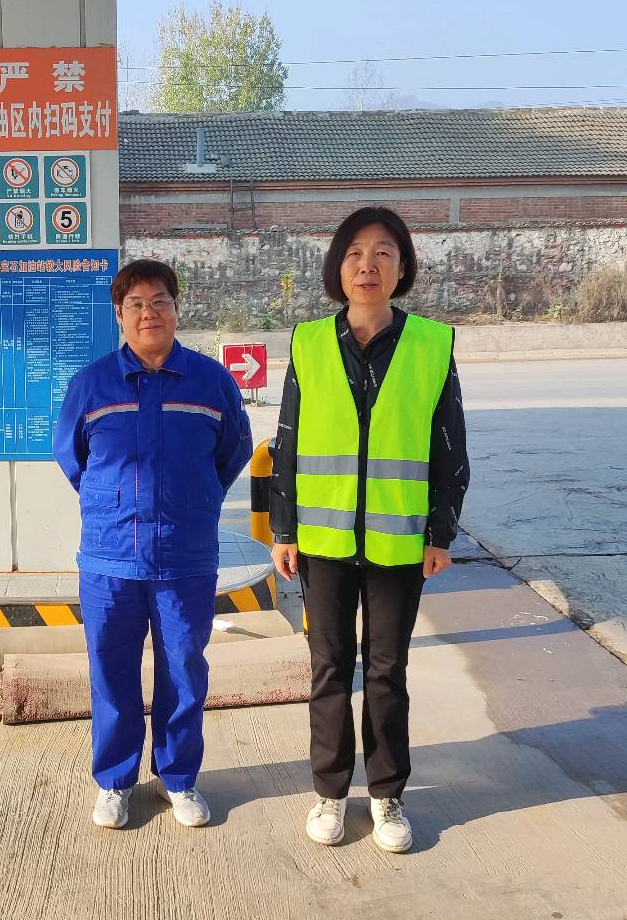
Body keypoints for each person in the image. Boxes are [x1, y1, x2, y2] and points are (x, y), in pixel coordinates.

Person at [270, 207, 469, 854]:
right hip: (323, 541)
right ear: (338, 267)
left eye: (384, 252)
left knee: (386, 671)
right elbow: (288, 442)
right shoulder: (308, 343)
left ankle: (386, 795)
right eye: (355, 253)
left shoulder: (431, 345)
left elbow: (449, 445)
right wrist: (284, 529)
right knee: (329, 667)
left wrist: (441, 532)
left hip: (398, 540)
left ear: (402, 267)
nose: (368, 265)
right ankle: (330, 793)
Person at [54, 258, 253, 831]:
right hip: (111, 557)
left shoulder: (211, 381)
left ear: (176, 309)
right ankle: (114, 781)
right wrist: (113, 501)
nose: (149, 313)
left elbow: (233, 451)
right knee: (110, 669)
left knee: (184, 668)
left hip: (185, 555)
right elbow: (73, 457)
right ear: (119, 316)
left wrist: (194, 498)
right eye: (136, 304)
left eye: (160, 301)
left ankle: (178, 778)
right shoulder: (92, 384)